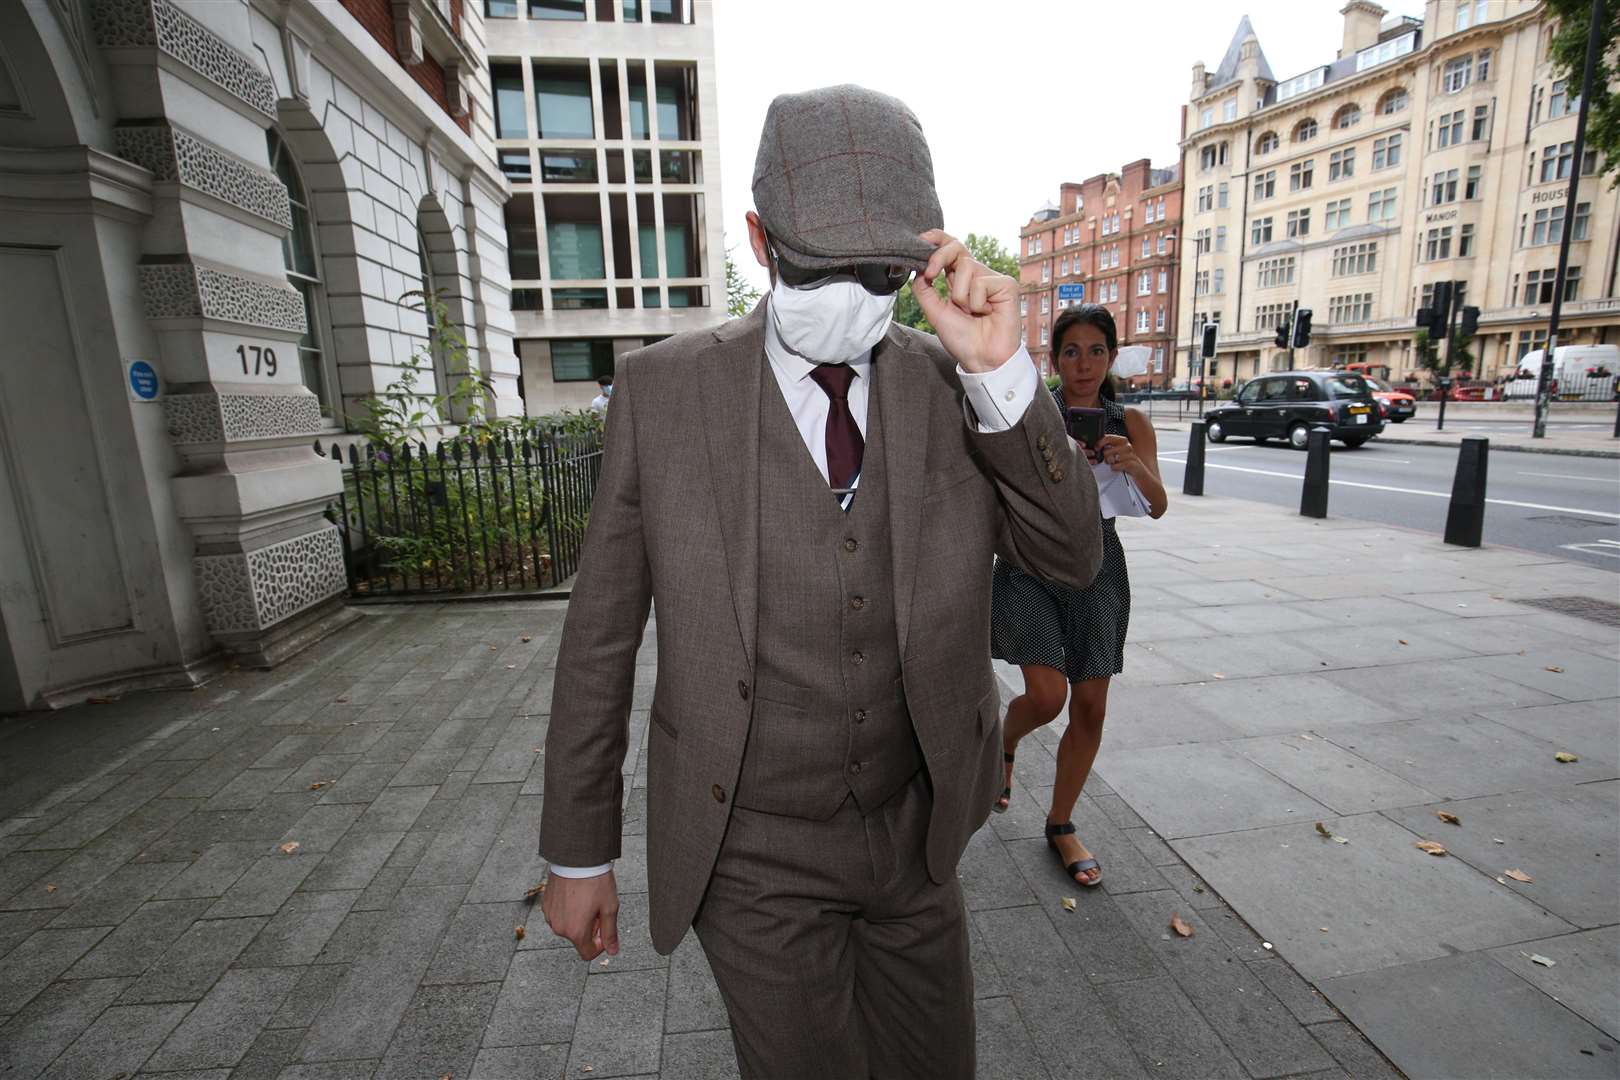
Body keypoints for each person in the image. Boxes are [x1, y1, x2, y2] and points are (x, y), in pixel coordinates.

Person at [538, 84, 1102, 1079]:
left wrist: (1003, 378)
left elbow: (1070, 562)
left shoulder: (953, 387)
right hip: (752, 850)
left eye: (879, 267)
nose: (851, 291)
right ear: (761, 240)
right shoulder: (665, 393)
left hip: (916, 832)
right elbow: (600, 635)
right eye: (820, 261)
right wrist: (579, 850)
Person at [990, 304, 1167, 889]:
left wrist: (1133, 463)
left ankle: (1061, 824)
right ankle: (1004, 741)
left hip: (1100, 565)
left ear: (1112, 357)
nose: (1083, 363)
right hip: (1033, 561)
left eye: (1096, 351)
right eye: (1071, 351)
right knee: (1046, 697)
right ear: (1054, 359)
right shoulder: (1034, 411)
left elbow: (1158, 503)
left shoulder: (1131, 420)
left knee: (1091, 706)